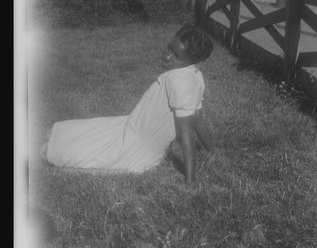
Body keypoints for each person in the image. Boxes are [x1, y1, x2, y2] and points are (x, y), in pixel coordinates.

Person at [40, 23, 214, 184]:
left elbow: (186, 134)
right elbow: (198, 119)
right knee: (86, 132)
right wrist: (211, 150)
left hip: (139, 147)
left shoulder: (177, 81)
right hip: (132, 125)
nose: (168, 56)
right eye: (170, 47)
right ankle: (58, 144)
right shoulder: (196, 76)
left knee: (74, 158)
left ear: (192, 61)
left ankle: (56, 155)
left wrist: (190, 180)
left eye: (176, 55)